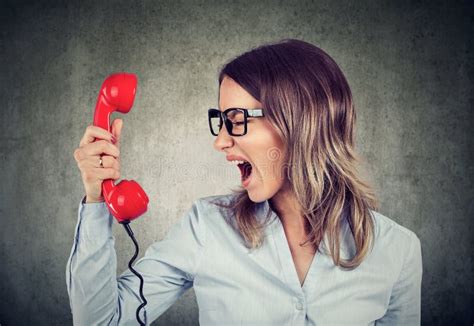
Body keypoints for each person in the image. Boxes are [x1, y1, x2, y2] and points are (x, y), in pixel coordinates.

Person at [67, 39, 423, 325]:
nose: (220, 141)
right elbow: (102, 320)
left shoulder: (397, 251)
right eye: (220, 121)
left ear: (298, 121)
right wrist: (97, 197)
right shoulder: (206, 227)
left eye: (236, 120)